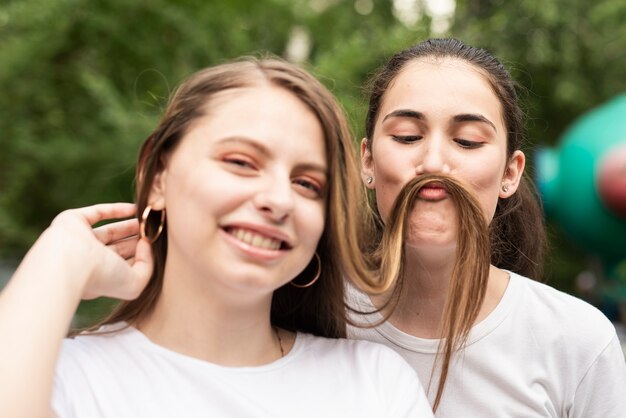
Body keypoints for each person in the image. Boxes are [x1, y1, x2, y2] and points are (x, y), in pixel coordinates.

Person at [0, 57, 434, 418]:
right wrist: (59, 261)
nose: (278, 200)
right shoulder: (62, 377)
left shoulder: (375, 387)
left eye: (307, 184)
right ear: (159, 175)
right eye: (242, 162)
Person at [348, 38, 626, 417]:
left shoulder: (579, 343)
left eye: (467, 141)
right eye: (407, 136)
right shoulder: (313, 317)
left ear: (510, 174)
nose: (433, 161)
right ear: (368, 161)